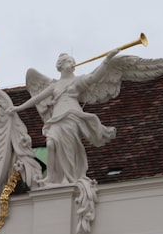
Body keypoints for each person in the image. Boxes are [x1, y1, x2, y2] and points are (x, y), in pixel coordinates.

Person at [13, 50, 122, 184]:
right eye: (69, 61)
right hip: (57, 117)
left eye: (73, 62)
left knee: (69, 147)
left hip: (72, 116)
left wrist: (107, 60)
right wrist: (18, 108)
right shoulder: (54, 85)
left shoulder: (78, 81)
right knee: (51, 144)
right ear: (61, 65)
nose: (73, 64)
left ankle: (68, 178)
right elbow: (36, 99)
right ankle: (52, 176)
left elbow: (94, 77)